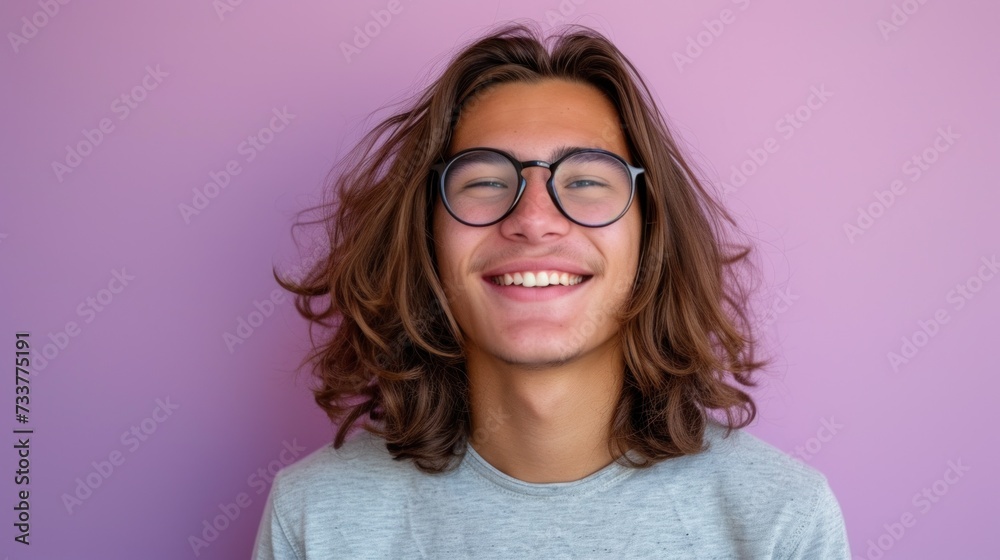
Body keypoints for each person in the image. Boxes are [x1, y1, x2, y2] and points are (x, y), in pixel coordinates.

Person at [253, 21, 850, 559]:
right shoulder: (317, 518)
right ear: (427, 235)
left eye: (586, 179)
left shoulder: (781, 523)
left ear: (651, 237)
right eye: (486, 179)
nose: (535, 219)